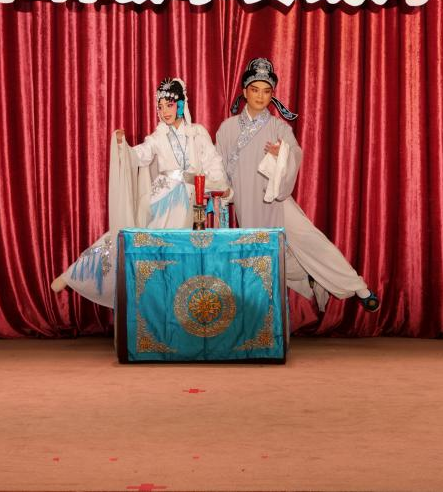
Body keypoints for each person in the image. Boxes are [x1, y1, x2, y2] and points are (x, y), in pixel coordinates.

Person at [215, 58, 380, 313]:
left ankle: (358, 287)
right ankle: (309, 276)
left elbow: (295, 155)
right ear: (245, 92)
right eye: (255, 90)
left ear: (272, 95)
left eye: (266, 91)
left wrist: (283, 155)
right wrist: (224, 192)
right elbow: (219, 166)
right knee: (265, 257)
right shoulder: (227, 129)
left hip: (277, 200)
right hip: (247, 203)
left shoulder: (280, 128)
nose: (260, 96)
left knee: (310, 239)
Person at [52, 77, 230, 308]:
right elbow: (140, 155)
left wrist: (220, 186)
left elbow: (213, 162)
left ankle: (169, 306)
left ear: (180, 104)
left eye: (169, 105)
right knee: (131, 235)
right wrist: (123, 147)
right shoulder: (158, 137)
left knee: (177, 253)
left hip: (189, 199)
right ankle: (74, 273)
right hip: (163, 196)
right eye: (160, 106)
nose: (164, 111)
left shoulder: (197, 133)